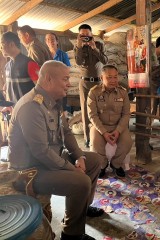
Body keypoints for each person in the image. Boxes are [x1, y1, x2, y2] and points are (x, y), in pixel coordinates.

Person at [8, 60, 104, 240]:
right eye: (65, 79)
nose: (69, 83)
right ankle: (71, 234)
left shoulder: (52, 101)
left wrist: (79, 156)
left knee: (94, 161)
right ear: (49, 79)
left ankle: (81, 207)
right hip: (30, 171)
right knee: (81, 181)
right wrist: (71, 168)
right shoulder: (31, 106)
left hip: (50, 160)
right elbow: (41, 151)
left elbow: (66, 132)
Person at [87, 65, 132, 178]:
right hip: (99, 126)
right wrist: (104, 132)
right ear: (102, 78)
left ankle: (116, 165)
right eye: (109, 77)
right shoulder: (94, 93)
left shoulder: (123, 92)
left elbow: (126, 114)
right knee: (95, 143)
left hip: (118, 126)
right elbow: (92, 115)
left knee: (127, 142)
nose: (113, 80)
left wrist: (118, 131)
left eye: (115, 77)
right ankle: (102, 166)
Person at [74, 24, 108, 148]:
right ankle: (87, 139)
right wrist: (79, 46)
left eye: (87, 35)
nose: (85, 38)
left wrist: (94, 49)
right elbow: (78, 62)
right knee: (85, 110)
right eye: (82, 36)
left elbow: (105, 61)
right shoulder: (77, 47)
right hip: (84, 83)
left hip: (98, 83)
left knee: (100, 109)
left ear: (91, 34)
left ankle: (100, 135)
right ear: (79, 36)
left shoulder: (99, 45)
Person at [0, 31, 39, 103]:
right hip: (14, 110)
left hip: (28, 110)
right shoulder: (7, 66)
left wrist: (37, 106)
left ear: (11, 44)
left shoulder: (29, 63)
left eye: (2, 44)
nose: (1, 48)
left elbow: (41, 89)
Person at [45, 32, 70, 113]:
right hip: (49, 86)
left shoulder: (63, 55)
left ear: (57, 41)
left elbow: (67, 69)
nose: (50, 42)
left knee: (62, 107)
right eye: (48, 40)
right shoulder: (46, 55)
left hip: (60, 84)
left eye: (52, 39)